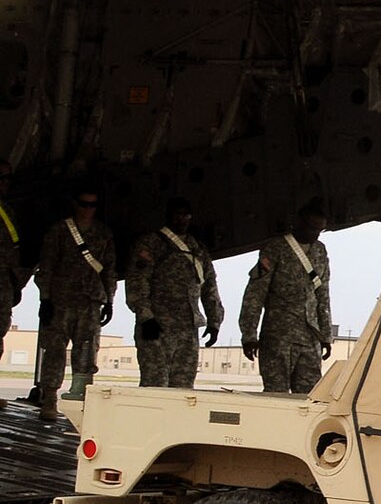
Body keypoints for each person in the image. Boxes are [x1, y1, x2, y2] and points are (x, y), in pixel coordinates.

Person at [33, 187, 117, 422]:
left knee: (87, 352)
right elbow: (46, 266)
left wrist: (109, 300)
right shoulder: (60, 231)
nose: (88, 209)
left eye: (92, 205)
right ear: (75, 204)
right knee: (55, 352)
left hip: (90, 302)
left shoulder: (103, 233)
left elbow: (109, 269)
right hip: (61, 301)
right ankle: (49, 400)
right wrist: (45, 299)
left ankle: (80, 400)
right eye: (84, 204)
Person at [126, 198, 224, 389]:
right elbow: (137, 281)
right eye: (177, 215)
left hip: (188, 329)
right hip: (157, 326)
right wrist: (146, 317)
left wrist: (214, 321)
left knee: (183, 387)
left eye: (185, 215)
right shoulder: (151, 244)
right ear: (168, 216)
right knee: (155, 384)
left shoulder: (198, 249)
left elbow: (209, 286)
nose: (181, 220)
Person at [240, 200, 334, 394]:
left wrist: (326, 335)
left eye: (320, 230)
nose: (315, 234)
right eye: (312, 228)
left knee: (309, 397)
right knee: (276, 396)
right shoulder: (275, 249)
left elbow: (323, 295)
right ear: (299, 222)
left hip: (309, 338)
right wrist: (249, 335)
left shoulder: (320, 251)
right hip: (278, 338)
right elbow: (255, 294)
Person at [0, 160, 23, 339]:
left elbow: (12, 251)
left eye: (8, 178)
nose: (5, 182)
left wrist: (14, 284)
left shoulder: (7, 211)